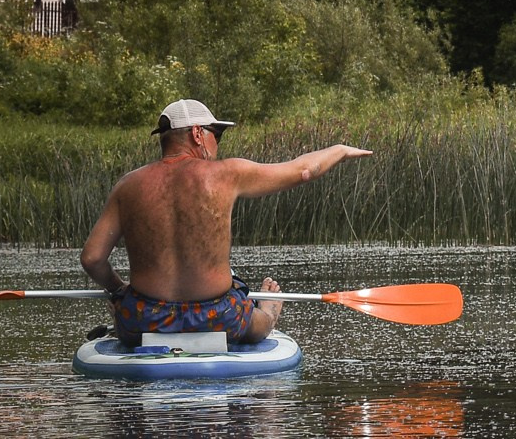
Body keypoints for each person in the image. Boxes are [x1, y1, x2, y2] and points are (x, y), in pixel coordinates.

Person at [81, 98, 372, 346]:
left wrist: (120, 290)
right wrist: (341, 150)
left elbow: (93, 259)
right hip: (218, 316)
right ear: (197, 133)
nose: (217, 144)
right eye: (215, 135)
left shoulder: (128, 185)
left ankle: (126, 312)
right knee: (261, 317)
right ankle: (269, 310)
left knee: (125, 307)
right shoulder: (227, 174)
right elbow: (304, 171)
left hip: (145, 318)